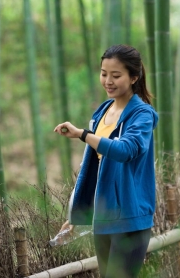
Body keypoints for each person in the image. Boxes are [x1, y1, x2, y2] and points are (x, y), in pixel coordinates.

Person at [53, 44, 158, 278]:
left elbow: (125, 150)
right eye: (104, 73)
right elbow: (94, 169)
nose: (108, 81)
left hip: (130, 217)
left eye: (116, 75)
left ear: (134, 77)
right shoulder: (102, 111)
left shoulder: (142, 115)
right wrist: (76, 216)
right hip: (103, 217)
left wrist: (83, 134)